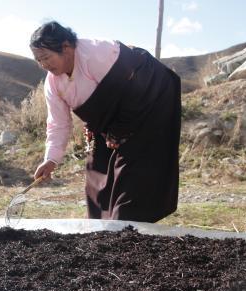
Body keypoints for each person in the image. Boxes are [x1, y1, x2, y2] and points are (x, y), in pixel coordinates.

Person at [31, 21, 181, 223]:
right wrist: (51, 159)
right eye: (39, 61)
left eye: (47, 57)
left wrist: (118, 131)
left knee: (133, 178)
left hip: (148, 100)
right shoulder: (52, 83)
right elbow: (58, 124)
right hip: (110, 120)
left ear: (66, 47)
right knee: (98, 175)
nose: (44, 65)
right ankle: (102, 233)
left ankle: (128, 232)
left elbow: (135, 87)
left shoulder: (98, 53)